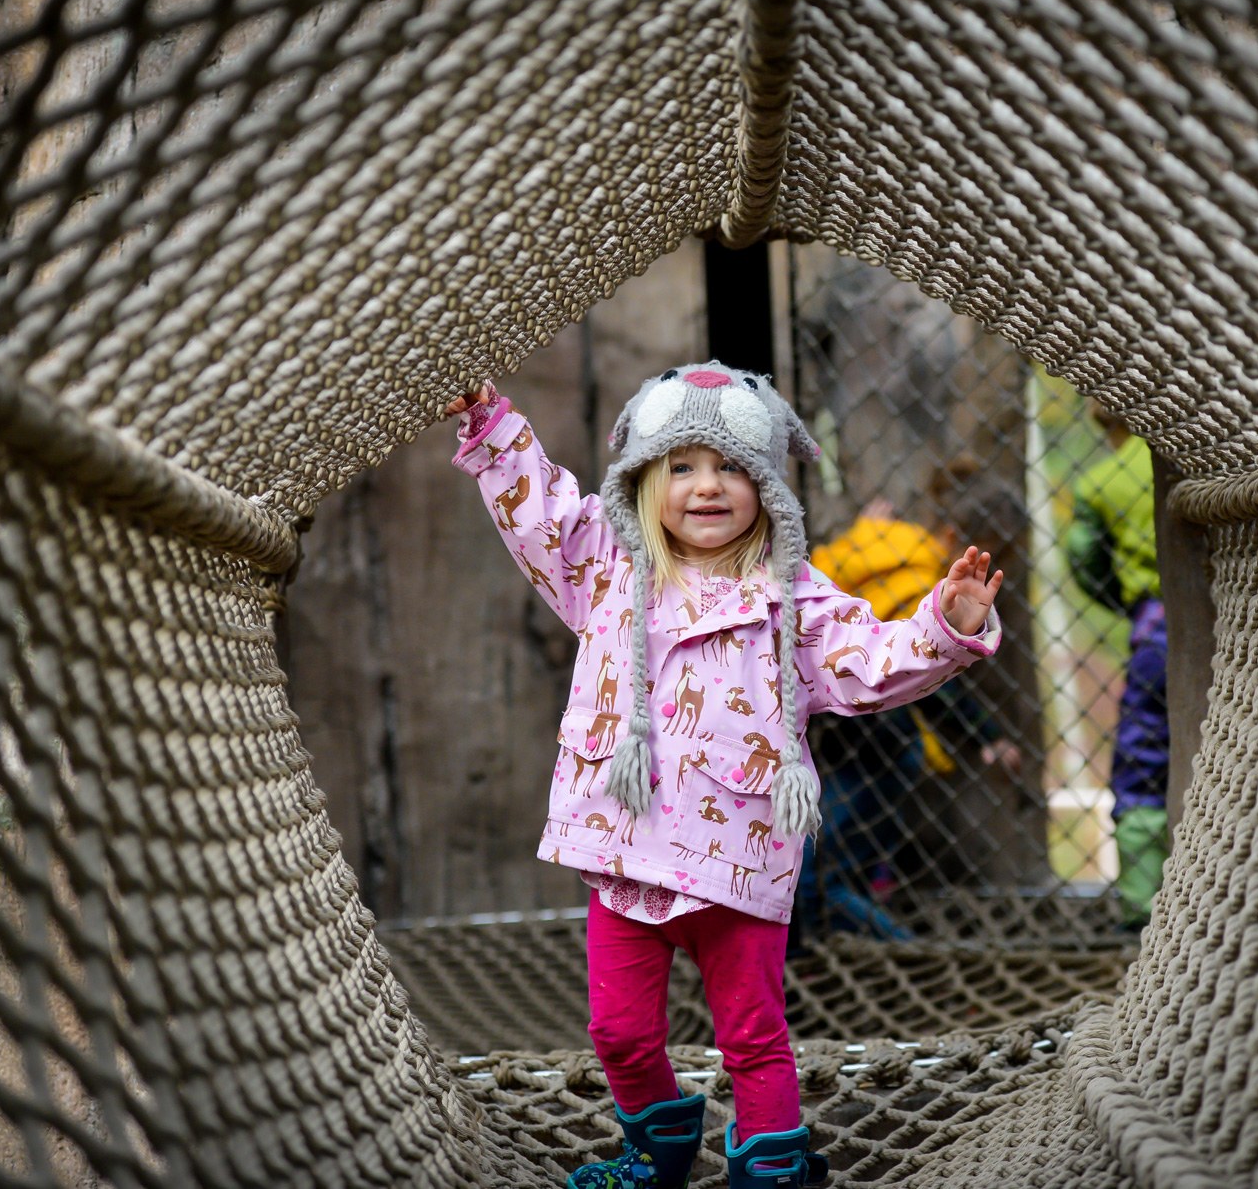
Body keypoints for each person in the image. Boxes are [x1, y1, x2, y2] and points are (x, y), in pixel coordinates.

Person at [447, 362, 1004, 1189]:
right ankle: (656, 1154)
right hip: (625, 854)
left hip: (739, 862)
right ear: (643, 478)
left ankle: (772, 1164)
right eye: (681, 466)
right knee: (621, 1033)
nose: (707, 487)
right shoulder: (606, 569)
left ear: (767, 487)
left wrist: (944, 628)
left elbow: (868, 660)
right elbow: (546, 517)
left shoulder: (791, 597)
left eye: (734, 467)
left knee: (752, 1035)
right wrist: (495, 430)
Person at [796, 482, 1021, 942]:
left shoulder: (865, 548)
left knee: (830, 860)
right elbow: (922, 677)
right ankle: (904, 950)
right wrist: (986, 736)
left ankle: (826, 949)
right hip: (882, 743)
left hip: (829, 733)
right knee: (821, 872)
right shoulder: (921, 580)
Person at [1068, 395, 1168, 928]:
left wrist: (1126, 603)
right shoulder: (1199, 460)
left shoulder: (1103, 481)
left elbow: (1083, 558)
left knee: (1143, 763)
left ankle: (1142, 908)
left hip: (1156, 627)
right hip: (1242, 615)